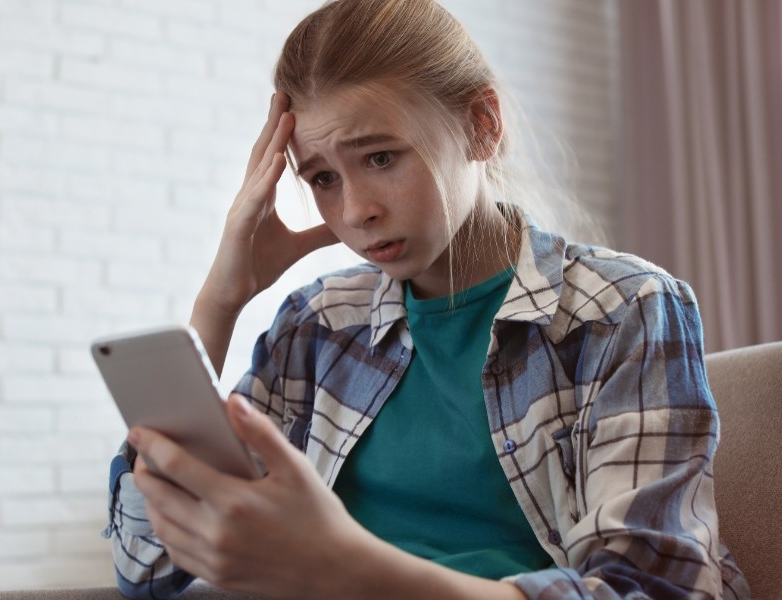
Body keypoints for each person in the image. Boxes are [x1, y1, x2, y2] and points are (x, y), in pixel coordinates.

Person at [103, 0, 750, 598]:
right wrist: (221, 300)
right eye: (323, 178)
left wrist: (341, 562)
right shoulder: (320, 326)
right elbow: (146, 565)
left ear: (482, 125)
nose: (356, 211)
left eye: (381, 158)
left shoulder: (623, 311)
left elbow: (652, 590)